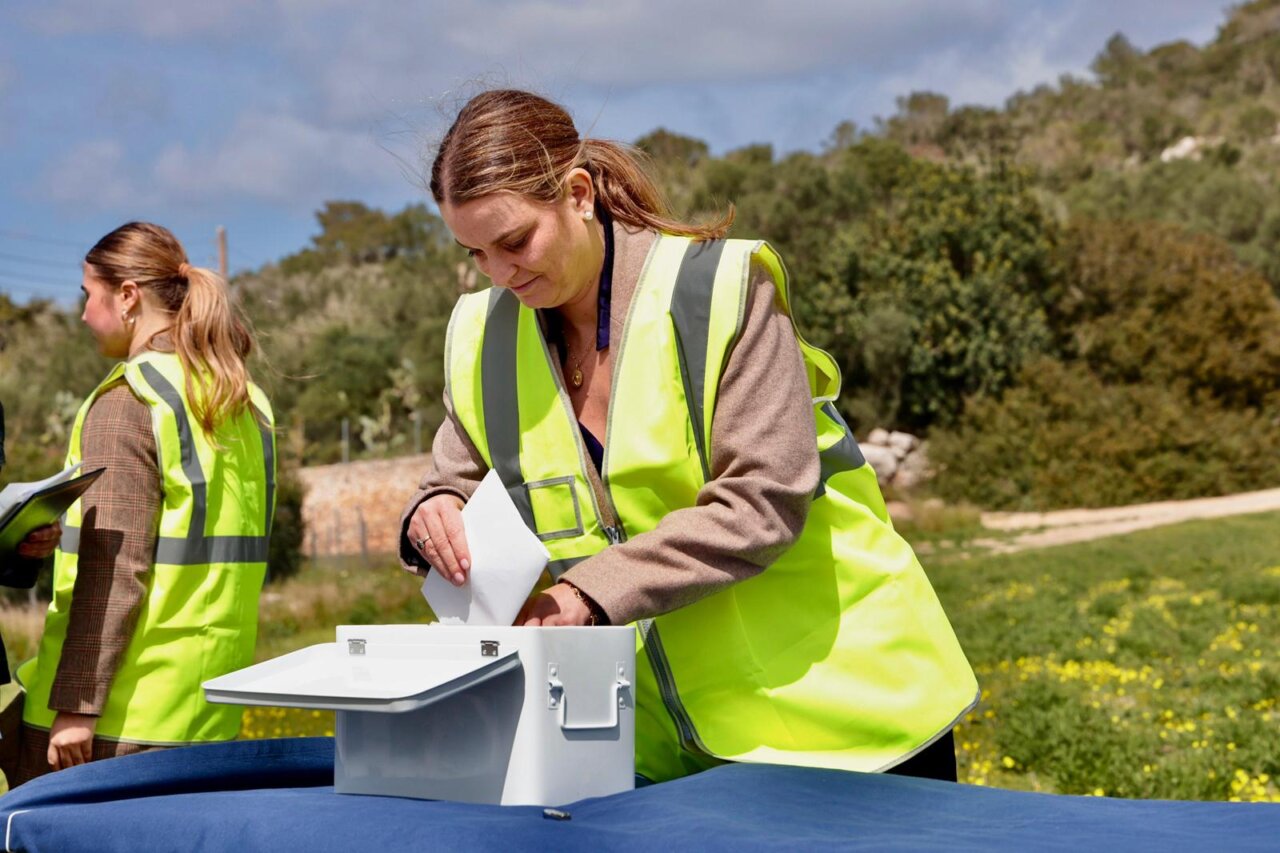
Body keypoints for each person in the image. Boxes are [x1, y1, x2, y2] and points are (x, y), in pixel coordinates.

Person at [399, 89, 978, 784]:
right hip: (666, 755)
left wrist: (587, 594)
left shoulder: (722, 291)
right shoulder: (481, 336)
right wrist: (431, 511)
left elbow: (764, 498)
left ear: (578, 194)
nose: (499, 274)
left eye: (516, 242)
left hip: (848, 721)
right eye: (474, 253)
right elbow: (455, 477)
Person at [10, 222, 276, 786]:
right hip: (205, 713)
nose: (83, 314)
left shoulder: (130, 400)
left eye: (88, 294)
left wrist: (77, 703)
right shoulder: (244, 402)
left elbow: (116, 565)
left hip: (115, 717)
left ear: (127, 296)